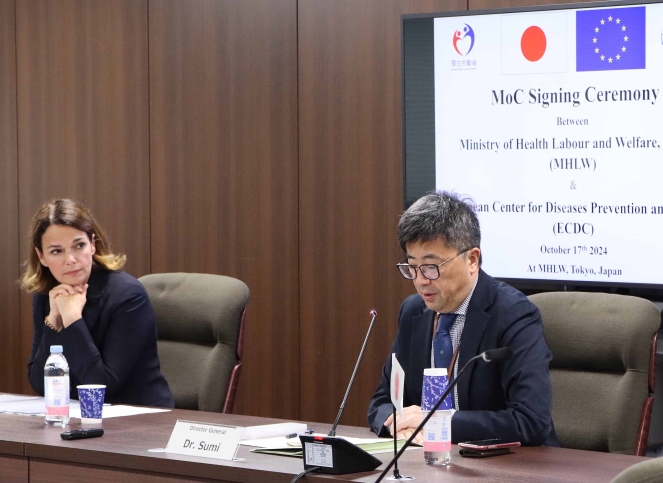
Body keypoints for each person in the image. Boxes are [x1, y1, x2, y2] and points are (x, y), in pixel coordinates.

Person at [367, 192, 558, 446]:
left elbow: (530, 421)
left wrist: (437, 423)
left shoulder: (513, 315)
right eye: (412, 266)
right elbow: (382, 403)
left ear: (472, 260)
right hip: (427, 458)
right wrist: (398, 426)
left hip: (509, 463)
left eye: (431, 267)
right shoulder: (413, 312)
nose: (421, 280)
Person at [22, 199, 174, 408]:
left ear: (92, 244)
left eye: (79, 245)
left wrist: (72, 319)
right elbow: (40, 383)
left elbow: (101, 387)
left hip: (140, 417)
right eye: (57, 251)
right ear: (41, 256)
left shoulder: (128, 295)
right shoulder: (47, 296)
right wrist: (53, 321)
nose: (71, 259)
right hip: (77, 416)